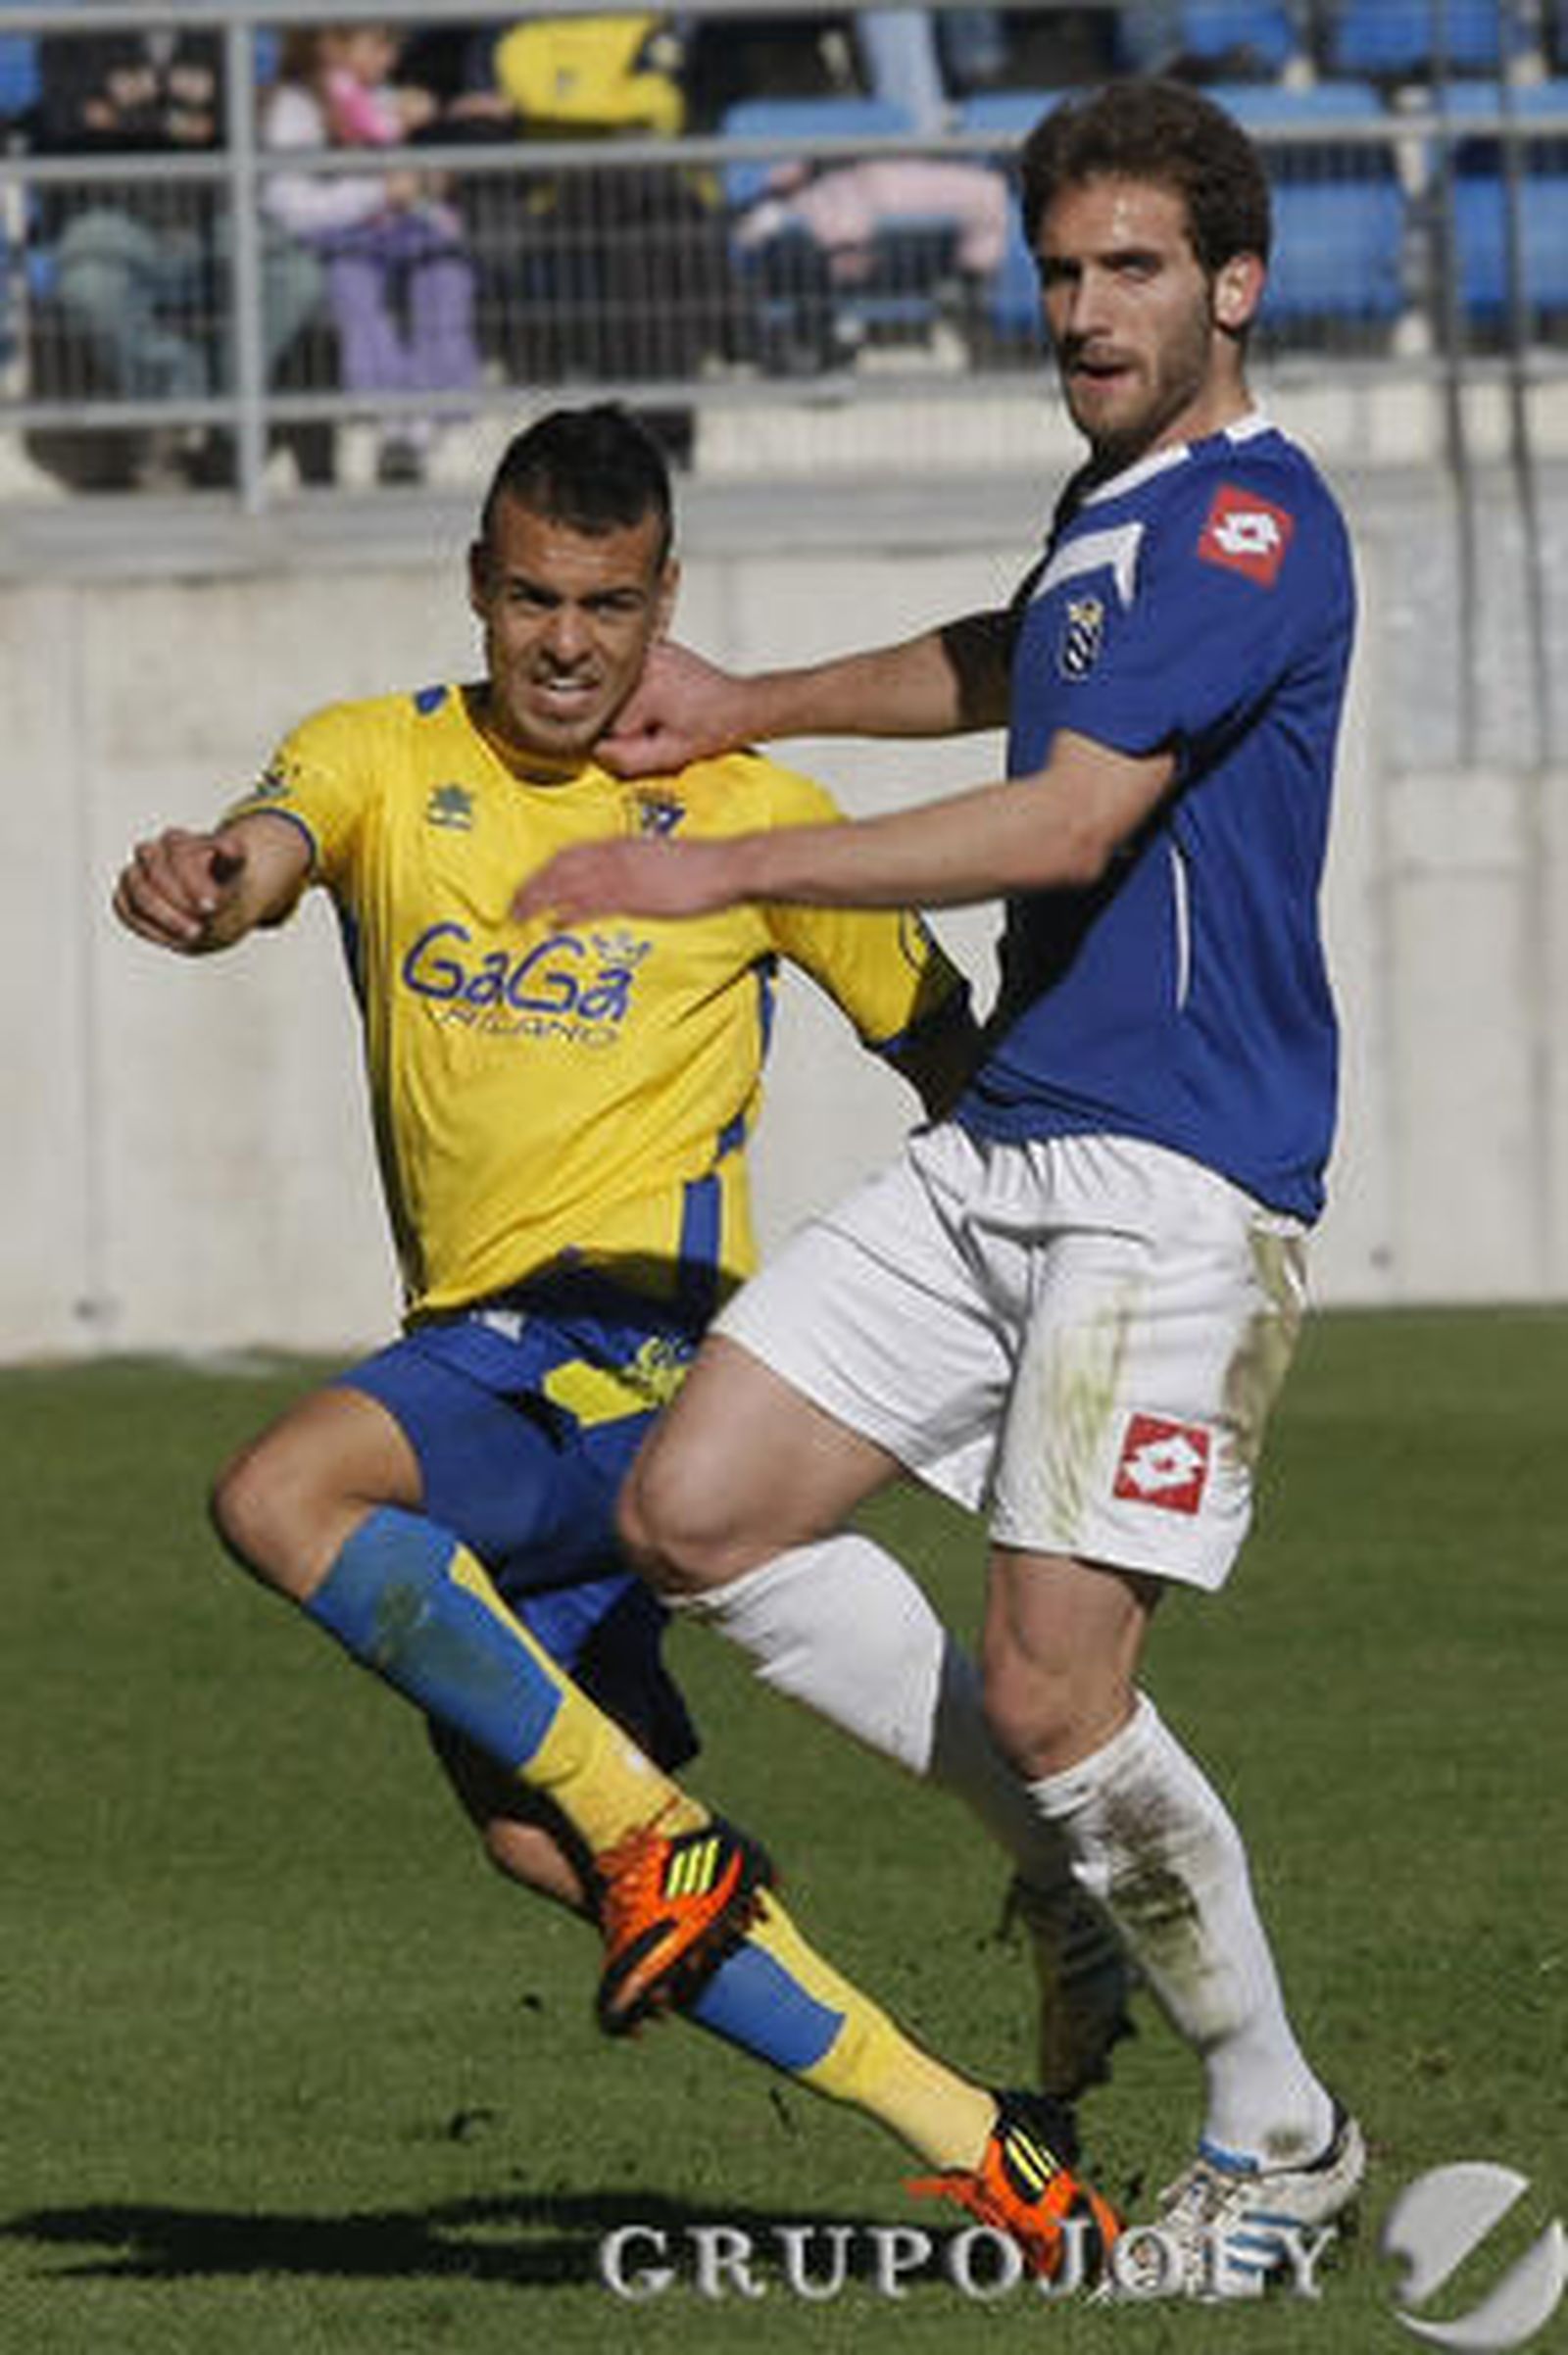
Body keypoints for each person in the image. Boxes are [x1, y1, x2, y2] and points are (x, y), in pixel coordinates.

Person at [111, 403, 1119, 2281]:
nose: (565, 641)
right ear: (476, 588)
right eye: (529, 599)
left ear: (667, 605)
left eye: (607, 603)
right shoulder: (379, 760)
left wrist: (1091, 1260)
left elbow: (957, 1063)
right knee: (558, 1848)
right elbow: (261, 850)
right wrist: (200, 884)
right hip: (472, 1362)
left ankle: (681, 1848)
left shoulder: (754, 814)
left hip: (632, 1362)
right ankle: (987, 2146)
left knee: (280, 1492)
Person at [513, 81, 1367, 2297]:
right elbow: (1014, 662)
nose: (1081, 309)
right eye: (1059, 269)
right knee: (692, 1513)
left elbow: (1069, 817)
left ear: (1232, 287)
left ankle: (1275, 2133)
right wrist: (737, 704)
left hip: (1171, 1174)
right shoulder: (1114, 506)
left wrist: (721, 860)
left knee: (1060, 1685)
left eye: (1131, 272)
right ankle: (1071, 1876)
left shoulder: (1257, 520)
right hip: (1005, 1142)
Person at [29, 12, 323, 488]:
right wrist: (178, 123)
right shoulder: (72, 34)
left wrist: (121, 117)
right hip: (111, 215)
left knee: (297, 276)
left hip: (207, 214)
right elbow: (69, 125)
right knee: (87, 285)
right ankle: (179, 390)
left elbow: (234, 127)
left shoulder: (214, 30)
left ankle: (228, 422)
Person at [261, 24, 482, 486]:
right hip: (338, 241)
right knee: (353, 287)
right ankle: (391, 418)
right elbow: (291, 205)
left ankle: (430, 420)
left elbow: (402, 180)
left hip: (396, 232)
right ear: (331, 46)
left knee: (445, 272)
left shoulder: (379, 100)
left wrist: (424, 181)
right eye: (378, 46)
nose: (391, 58)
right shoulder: (296, 107)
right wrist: (378, 192)